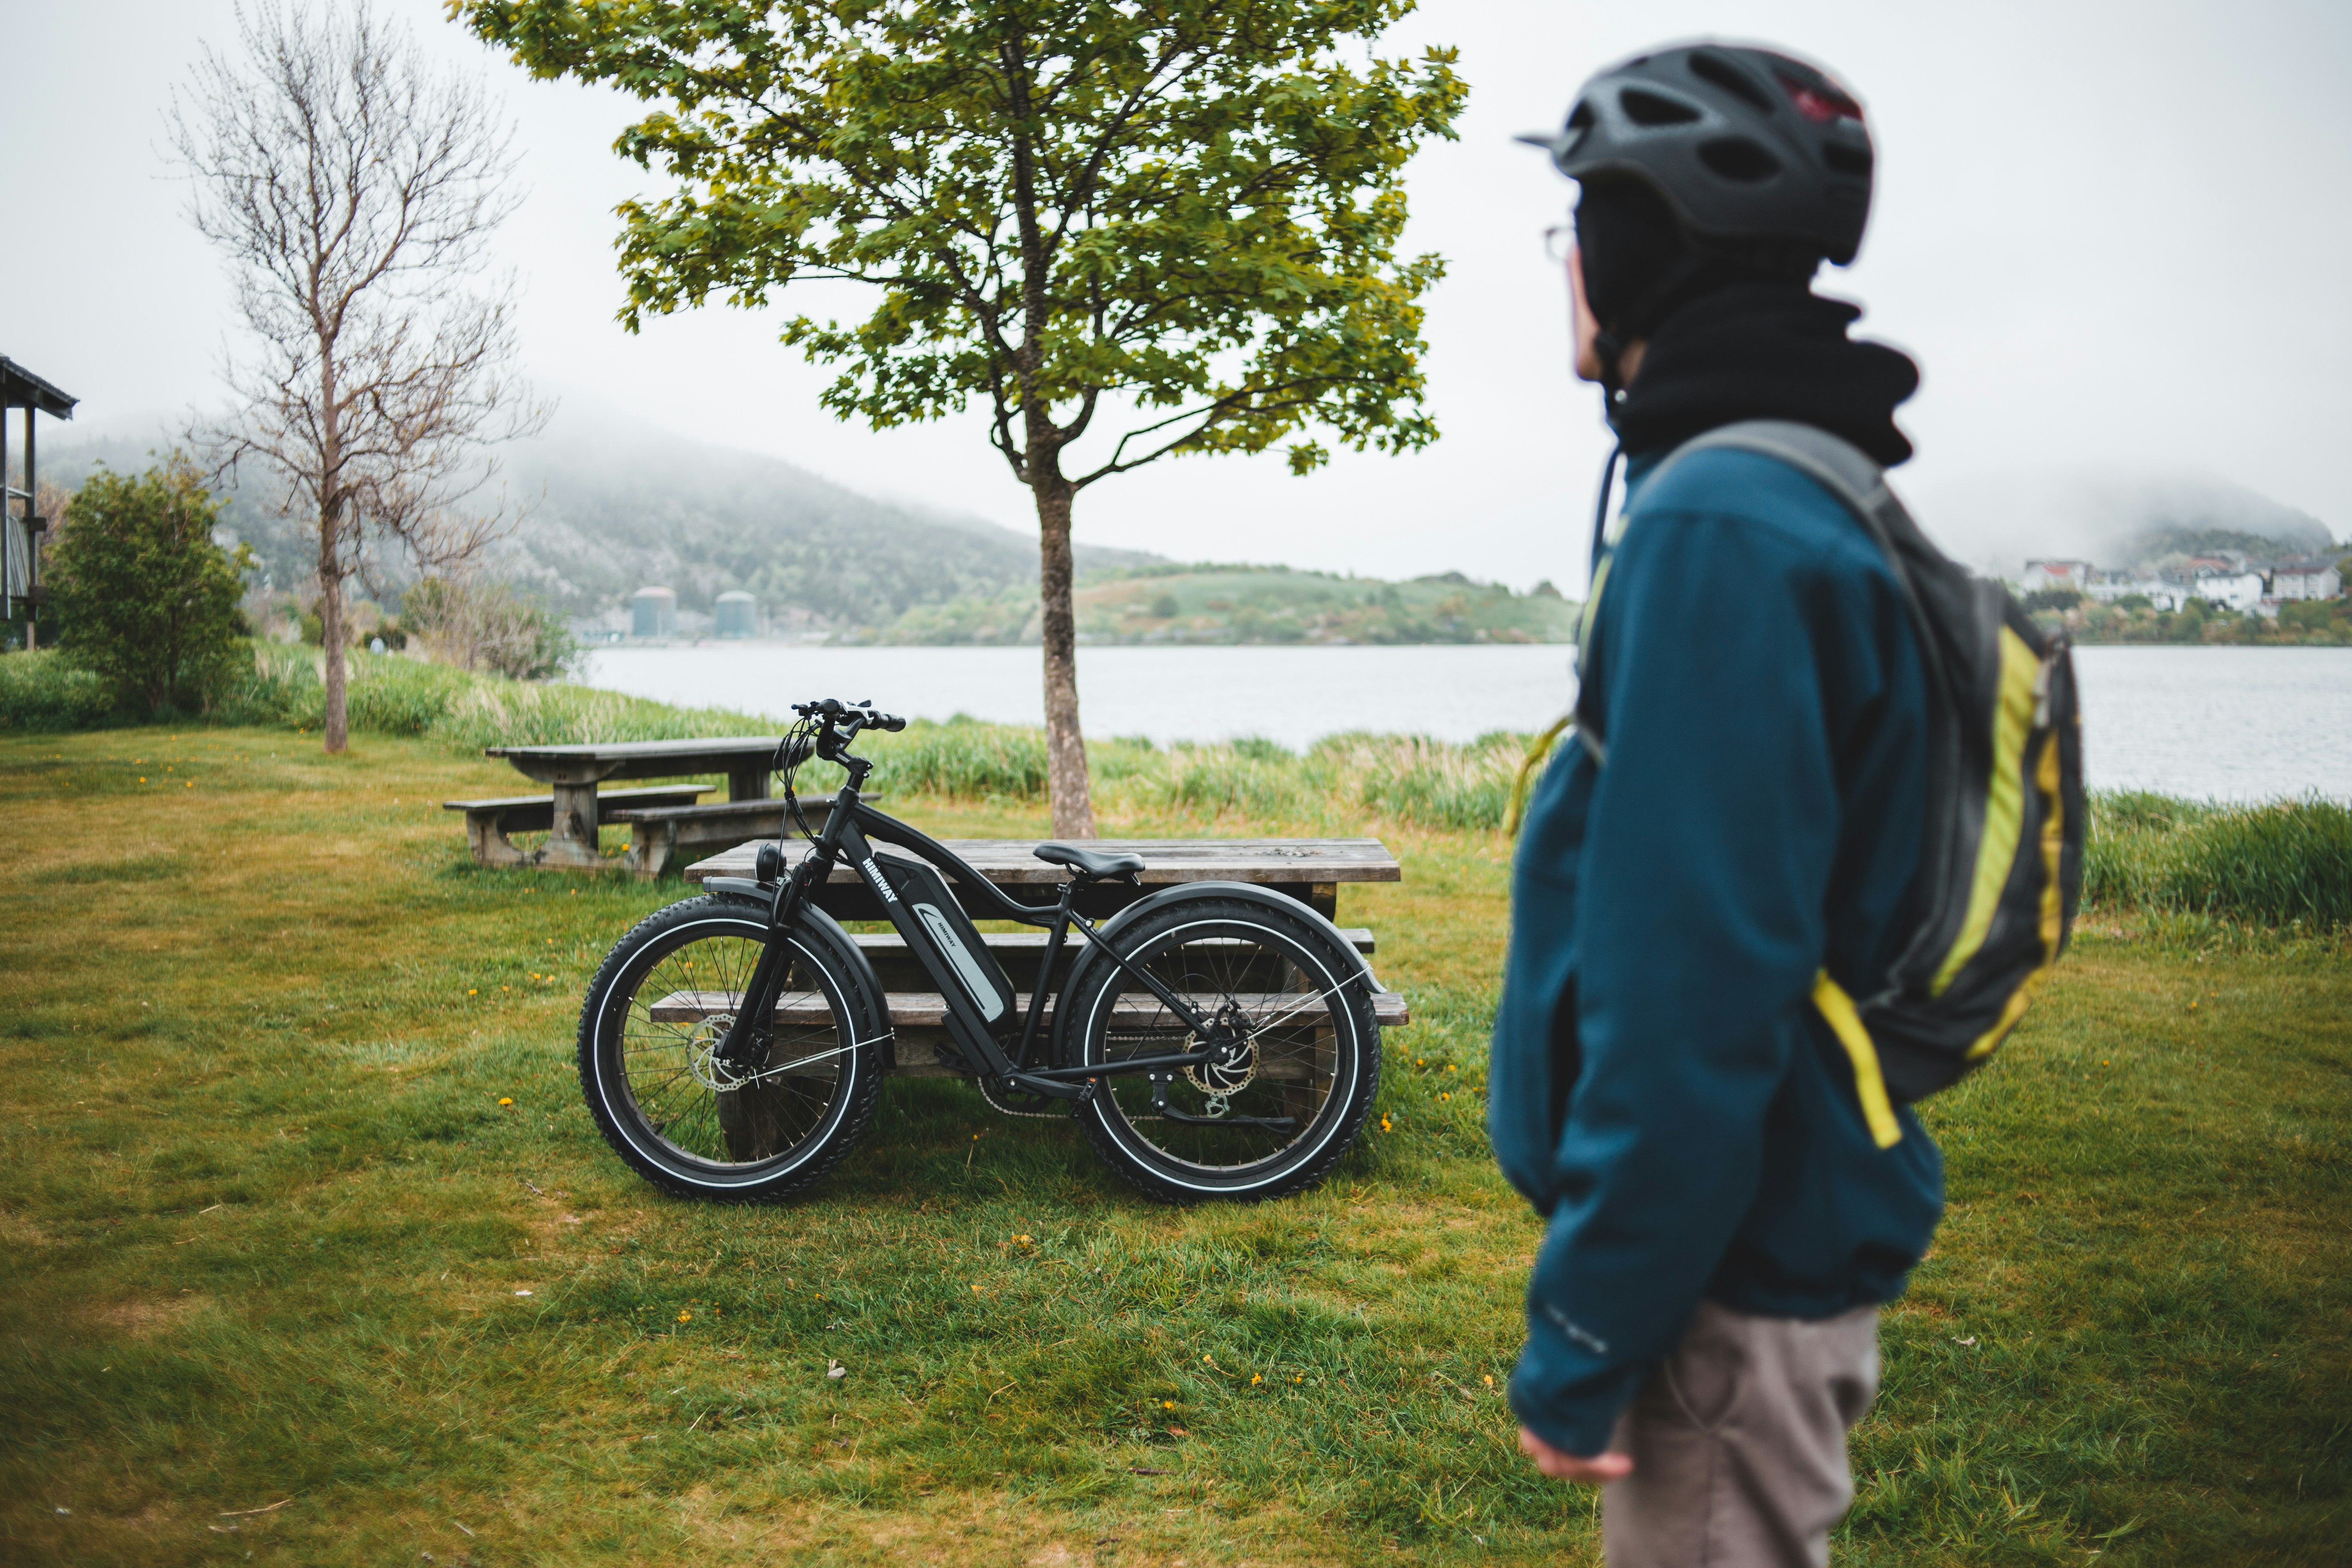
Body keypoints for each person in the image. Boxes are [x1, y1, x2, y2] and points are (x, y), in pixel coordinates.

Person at [1492, 43, 1944, 1568]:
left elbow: (1697, 992)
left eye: (1578, 229)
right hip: (1760, 1223)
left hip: (1725, 1275)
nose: (1568, 267)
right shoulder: (1793, 484)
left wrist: (1587, 1325)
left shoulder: (1720, 524)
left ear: (1636, 245)